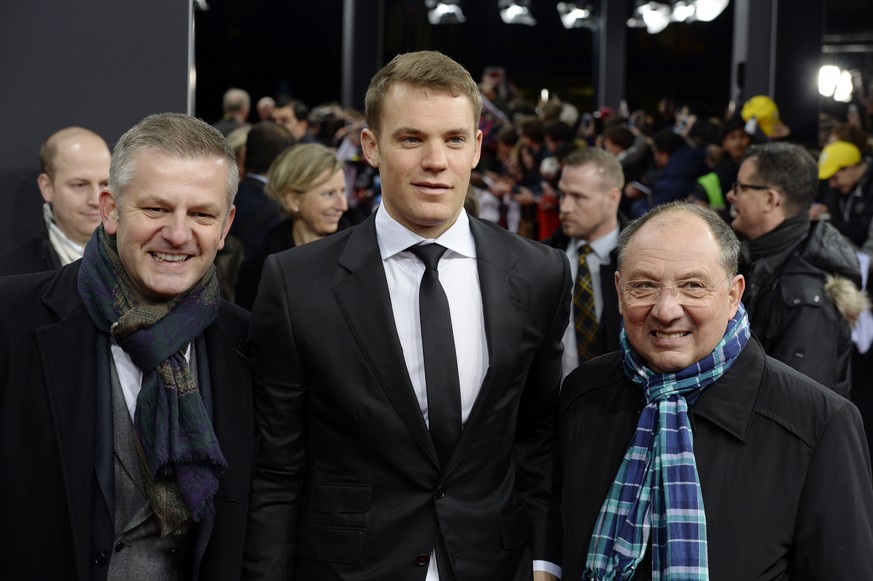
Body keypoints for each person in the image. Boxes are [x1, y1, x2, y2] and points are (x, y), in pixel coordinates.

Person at [243, 50, 570, 581]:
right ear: (371, 147)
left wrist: (545, 563)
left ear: (478, 148)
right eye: (412, 138)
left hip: (498, 563)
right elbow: (277, 469)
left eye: (455, 139)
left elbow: (537, 436)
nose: (436, 160)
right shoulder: (296, 282)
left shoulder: (539, 274)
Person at [0, 113, 254, 579]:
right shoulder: (12, 318)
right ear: (111, 209)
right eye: (156, 209)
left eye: (201, 214)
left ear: (225, 225)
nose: (178, 234)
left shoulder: (248, 344)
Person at [561, 201, 873, 580]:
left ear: (732, 295)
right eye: (644, 285)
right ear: (618, 291)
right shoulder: (582, 394)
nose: (666, 310)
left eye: (693, 285)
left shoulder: (819, 422)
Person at [727, 142, 868, 397]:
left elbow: (793, 411)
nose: (730, 195)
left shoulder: (807, 298)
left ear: (770, 199)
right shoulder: (761, 260)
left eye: (741, 187)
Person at [234, 142, 350, 310]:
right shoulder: (260, 270)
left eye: (343, 191)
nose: (342, 205)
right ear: (293, 201)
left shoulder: (360, 254)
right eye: (329, 194)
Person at [544, 148, 625, 379]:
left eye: (578, 197)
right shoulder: (541, 258)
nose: (565, 207)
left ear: (612, 198)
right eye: (562, 195)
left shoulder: (641, 263)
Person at [0, 126, 110, 274]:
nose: (96, 200)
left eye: (105, 184)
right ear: (47, 187)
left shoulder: (142, 261)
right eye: (80, 185)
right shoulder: (11, 275)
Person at [811, 140, 873, 249]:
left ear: (851, 168)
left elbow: (860, 234)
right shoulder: (842, 189)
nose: (832, 185)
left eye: (835, 178)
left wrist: (829, 219)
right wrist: (825, 213)